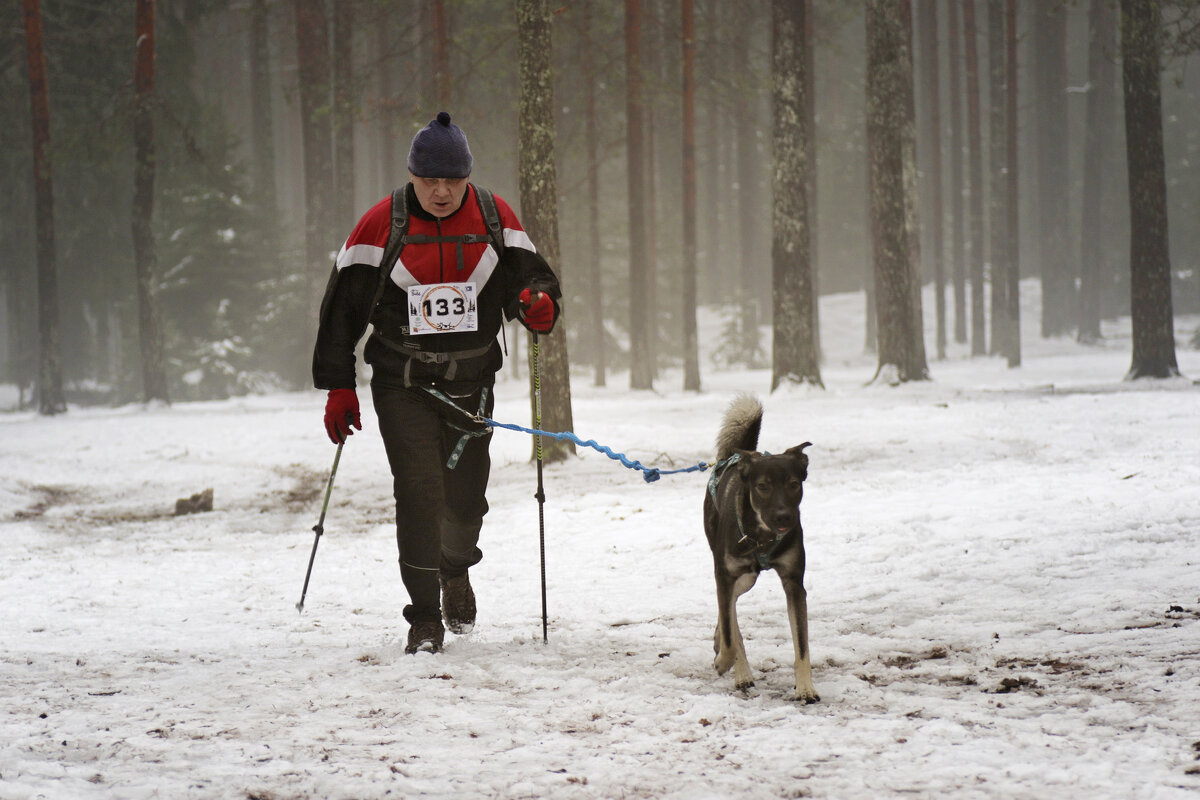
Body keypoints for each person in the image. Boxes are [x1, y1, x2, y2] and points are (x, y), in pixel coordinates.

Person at [312, 112, 561, 654]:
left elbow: (534, 279)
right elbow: (341, 310)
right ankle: (423, 616)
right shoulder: (382, 224)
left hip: (473, 381)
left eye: (453, 181)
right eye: (430, 181)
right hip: (402, 382)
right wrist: (339, 385)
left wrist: (537, 305)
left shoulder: (495, 217)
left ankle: (455, 570)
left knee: (466, 500)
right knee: (420, 491)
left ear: (467, 177)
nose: (442, 192)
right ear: (413, 175)